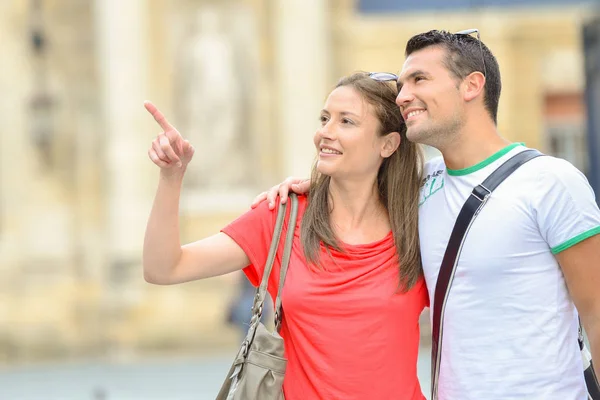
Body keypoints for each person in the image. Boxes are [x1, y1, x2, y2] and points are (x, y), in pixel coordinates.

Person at [255, 30, 600, 399]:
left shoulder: (550, 182)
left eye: (419, 79)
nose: (404, 96)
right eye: (402, 84)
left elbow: (596, 311)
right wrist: (313, 185)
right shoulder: (416, 190)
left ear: (471, 86)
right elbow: (359, 182)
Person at [142, 72, 429, 399]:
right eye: (324, 118)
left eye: (346, 122)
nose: (325, 133)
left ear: (388, 144)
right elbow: (164, 268)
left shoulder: (421, 224)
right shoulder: (281, 216)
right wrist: (171, 176)